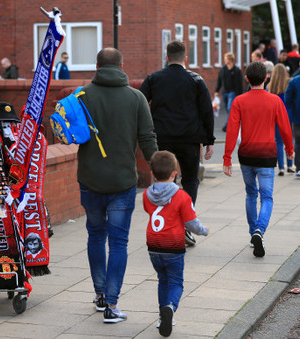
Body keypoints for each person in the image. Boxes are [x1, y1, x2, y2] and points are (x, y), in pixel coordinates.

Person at [79, 47, 157, 323]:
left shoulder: (81, 96)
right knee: (119, 242)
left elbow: (67, 133)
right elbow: (147, 138)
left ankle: (100, 294)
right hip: (123, 182)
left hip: (90, 180)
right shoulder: (136, 98)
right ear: (122, 65)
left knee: (95, 236)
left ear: (96, 65)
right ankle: (112, 305)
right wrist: (160, 173)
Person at [140, 40, 214, 247]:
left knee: (164, 181)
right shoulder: (196, 80)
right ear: (185, 58)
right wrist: (209, 141)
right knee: (190, 180)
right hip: (190, 139)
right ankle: (184, 225)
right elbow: (206, 111)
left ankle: (164, 224)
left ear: (166, 57)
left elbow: (140, 102)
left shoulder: (154, 78)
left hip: (163, 138)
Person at [224, 61, 294, 258]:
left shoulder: (239, 101)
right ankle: (259, 231)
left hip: (246, 154)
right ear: (266, 78)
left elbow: (231, 130)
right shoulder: (275, 101)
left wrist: (227, 157)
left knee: (250, 194)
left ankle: (252, 232)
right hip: (267, 155)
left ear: (247, 79)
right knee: (267, 197)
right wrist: (289, 150)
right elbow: (285, 128)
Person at [143, 150, 209, 337]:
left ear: (153, 173)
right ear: (174, 173)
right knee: (176, 281)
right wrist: (203, 230)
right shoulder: (182, 197)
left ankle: (161, 316)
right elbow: (191, 224)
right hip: (173, 246)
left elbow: (150, 210)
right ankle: (170, 309)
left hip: (153, 245)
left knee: (162, 280)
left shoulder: (147, 194)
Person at [268, 64, 294, 176]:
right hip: (287, 115)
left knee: (278, 142)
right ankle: (290, 165)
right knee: (289, 139)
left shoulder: (270, 85)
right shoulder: (289, 82)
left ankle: (281, 168)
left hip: (275, 115)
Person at [214, 52, 243, 133]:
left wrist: (239, 95)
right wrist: (217, 91)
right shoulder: (223, 70)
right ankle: (234, 123)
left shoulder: (236, 70)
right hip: (225, 92)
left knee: (230, 109)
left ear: (230, 59)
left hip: (232, 93)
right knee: (228, 109)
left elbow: (239, 84)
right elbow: (219, 81)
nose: (224, 60)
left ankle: (227, 126)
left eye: (226, 58)